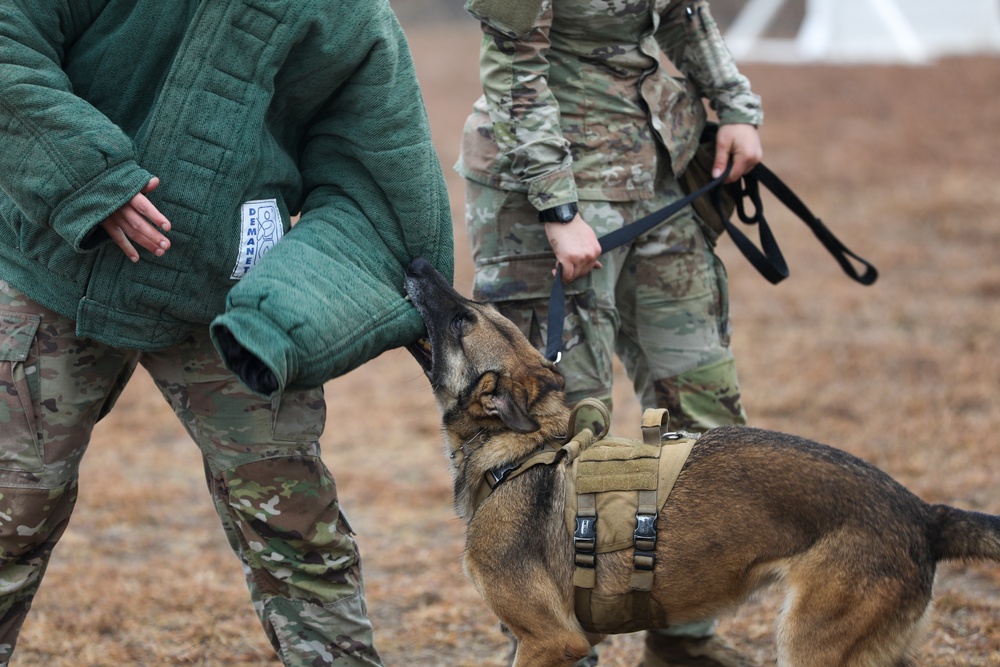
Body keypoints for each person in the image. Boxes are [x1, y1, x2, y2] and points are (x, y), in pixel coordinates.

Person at [0, 1, 453, 665]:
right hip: (60, 264)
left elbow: (380, 179)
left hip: (234, 301)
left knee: (298, 530)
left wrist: (303, 300)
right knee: (11, 513)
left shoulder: (351, 16)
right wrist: (89, 180)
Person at [456, 1, 762, 665]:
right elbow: (513, 63)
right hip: (544, 193)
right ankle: (556, 643)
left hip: (656, 171)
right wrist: (557, 205)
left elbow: (684, 13)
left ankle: (685, 637)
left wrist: (733, 104)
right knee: (556, 432)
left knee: (704, 401)